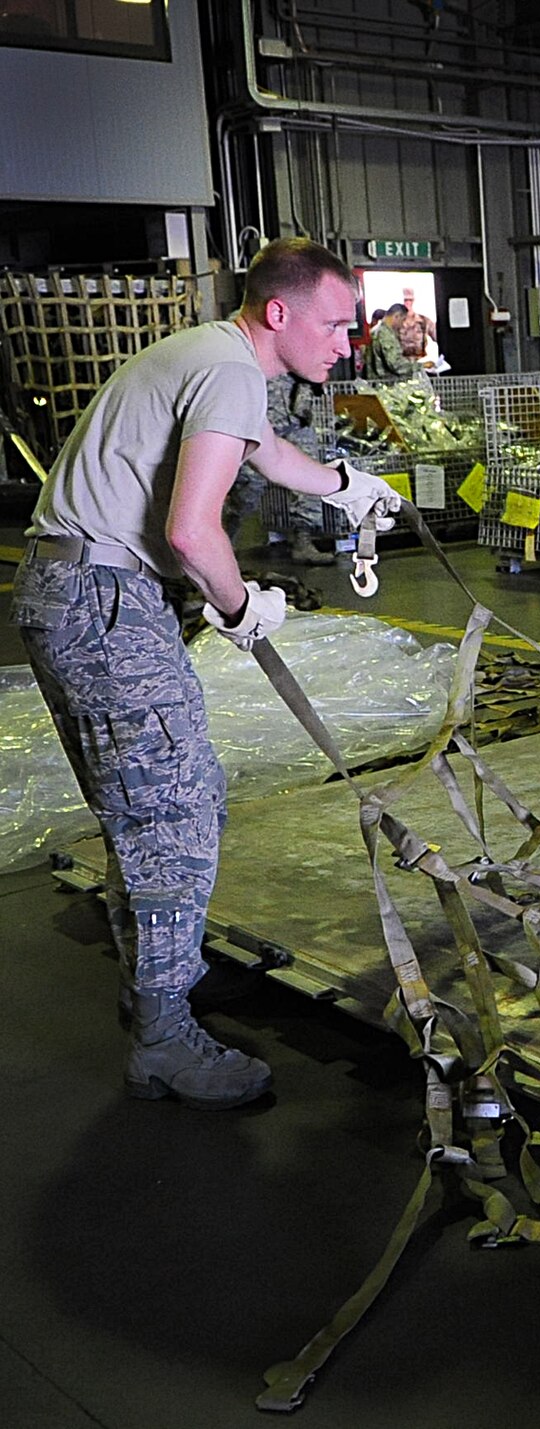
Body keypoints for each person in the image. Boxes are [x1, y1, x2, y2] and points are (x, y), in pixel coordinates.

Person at [9, 237, 403, 1109]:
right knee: (173, 808)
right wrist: (239, 608)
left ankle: (162, 980)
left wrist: (347, 483)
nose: (347, 342)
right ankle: (160, 1036)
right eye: (336, 324)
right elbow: (193, 532)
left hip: (78, 587)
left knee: (151, 800)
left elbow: (265, 454)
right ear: (279, 312)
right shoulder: (228, 372)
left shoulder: (211, 356)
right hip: (104, 598)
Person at [225, 374, 336, 566]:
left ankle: (303, 542)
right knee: (250, 485)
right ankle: (224, 539)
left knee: (307, 477)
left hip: (297, 414)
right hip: (263, 416)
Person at [362, 302, 419, 380]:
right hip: (385, 385)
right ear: (396, 316)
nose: (403, 324)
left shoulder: (375, 330)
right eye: (403, 320)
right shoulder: (385, 334)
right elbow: (395, 364)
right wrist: (420, 366)